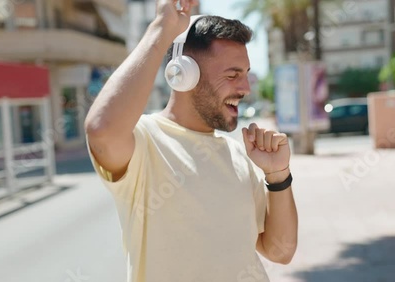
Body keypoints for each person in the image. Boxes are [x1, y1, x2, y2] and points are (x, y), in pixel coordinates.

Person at [84, 0, 298, 281]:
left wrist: (278, 176)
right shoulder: (146, 142)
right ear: (184, 74)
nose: (245, 88)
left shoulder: (238, 156)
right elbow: (101, 129)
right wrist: (162, 29)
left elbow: (280, 251)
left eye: (245, 74)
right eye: (233, 75)